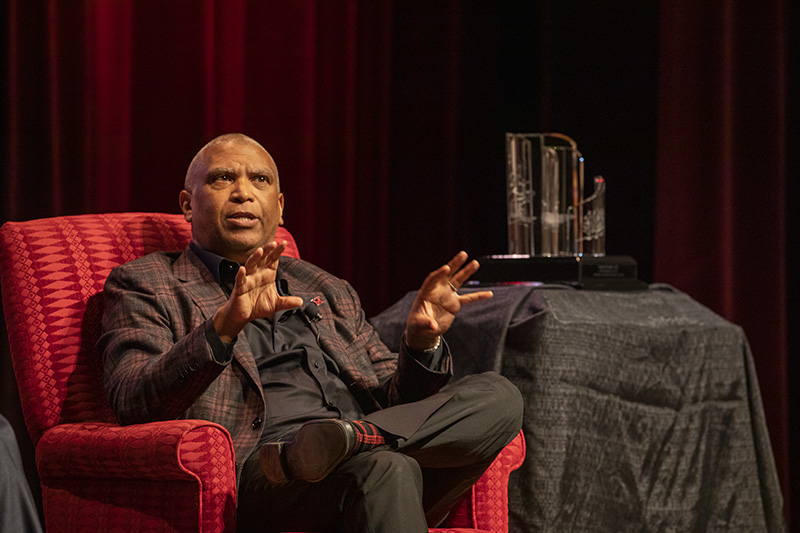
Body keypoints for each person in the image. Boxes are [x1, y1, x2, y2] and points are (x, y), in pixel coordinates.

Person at [99, 133, 523, 532]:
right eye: (223, 178)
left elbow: (395, 401)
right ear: (188, 205)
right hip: (272, 472)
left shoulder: (325, 287)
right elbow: (134, 401)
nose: (243, 192)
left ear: (280, 206)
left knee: (500, 395)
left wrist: (419, 343)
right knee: (387, 467)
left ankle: (353, 439)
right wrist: (222, 328)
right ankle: (357, 445)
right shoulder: (147, 282)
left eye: (259, 180)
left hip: (364, 453)